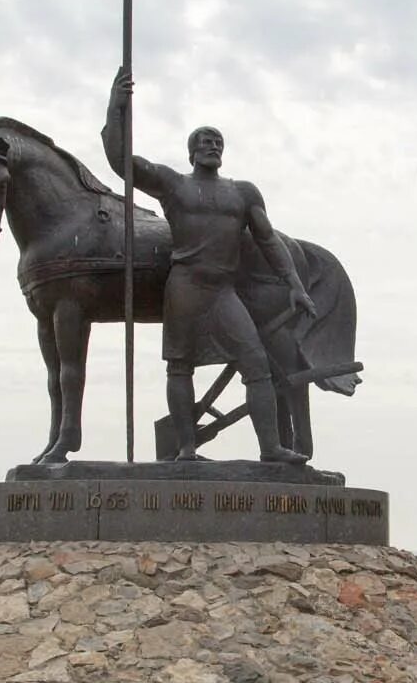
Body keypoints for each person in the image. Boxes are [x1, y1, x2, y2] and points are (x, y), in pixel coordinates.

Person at [101, 67, 316, 463]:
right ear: (191, 151)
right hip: (185, 286)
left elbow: (268, 239)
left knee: (255, 361)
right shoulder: (173, 184)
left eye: (217, 140)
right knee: (180, 366)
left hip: (223, 290)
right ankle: (186, 449)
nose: (211, 144)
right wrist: (116, 107)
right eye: (203, 140)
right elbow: (120, 161)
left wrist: (294, 285)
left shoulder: (242, 192)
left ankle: (271, 448)